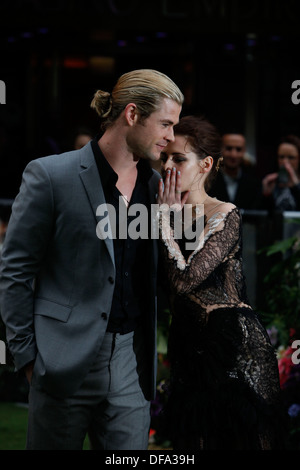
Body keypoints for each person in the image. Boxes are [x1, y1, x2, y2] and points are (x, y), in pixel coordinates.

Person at [0, 69, 184, 450]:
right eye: (165, 124)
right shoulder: (51, 175)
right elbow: (15, 271)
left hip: (131, 367)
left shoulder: (156, 187)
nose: (170, 137)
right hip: (61, 362)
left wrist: (169, 224)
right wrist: (29, 358)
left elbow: (165, 278)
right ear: (132, 114)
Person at [157, 115, 286, 450]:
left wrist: (164, 219)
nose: (168, 165)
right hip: (189, 347)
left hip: (235, 349)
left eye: (179, 158)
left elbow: (184, 281)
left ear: (206, 164)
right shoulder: (160, 211)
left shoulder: (224, 213)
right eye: (164, 157)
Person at [208, 132, 262, 209]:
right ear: (220, 150)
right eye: (229, 148)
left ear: (244, 151)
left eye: (238, 149)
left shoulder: (254, 184)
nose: (233, 155)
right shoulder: (208, 182)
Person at [262, 134, 300, 211]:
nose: (285, 161)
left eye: (291, 157)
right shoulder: (271, 183)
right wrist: (266, 195)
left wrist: (296, 187)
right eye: (281, 157)